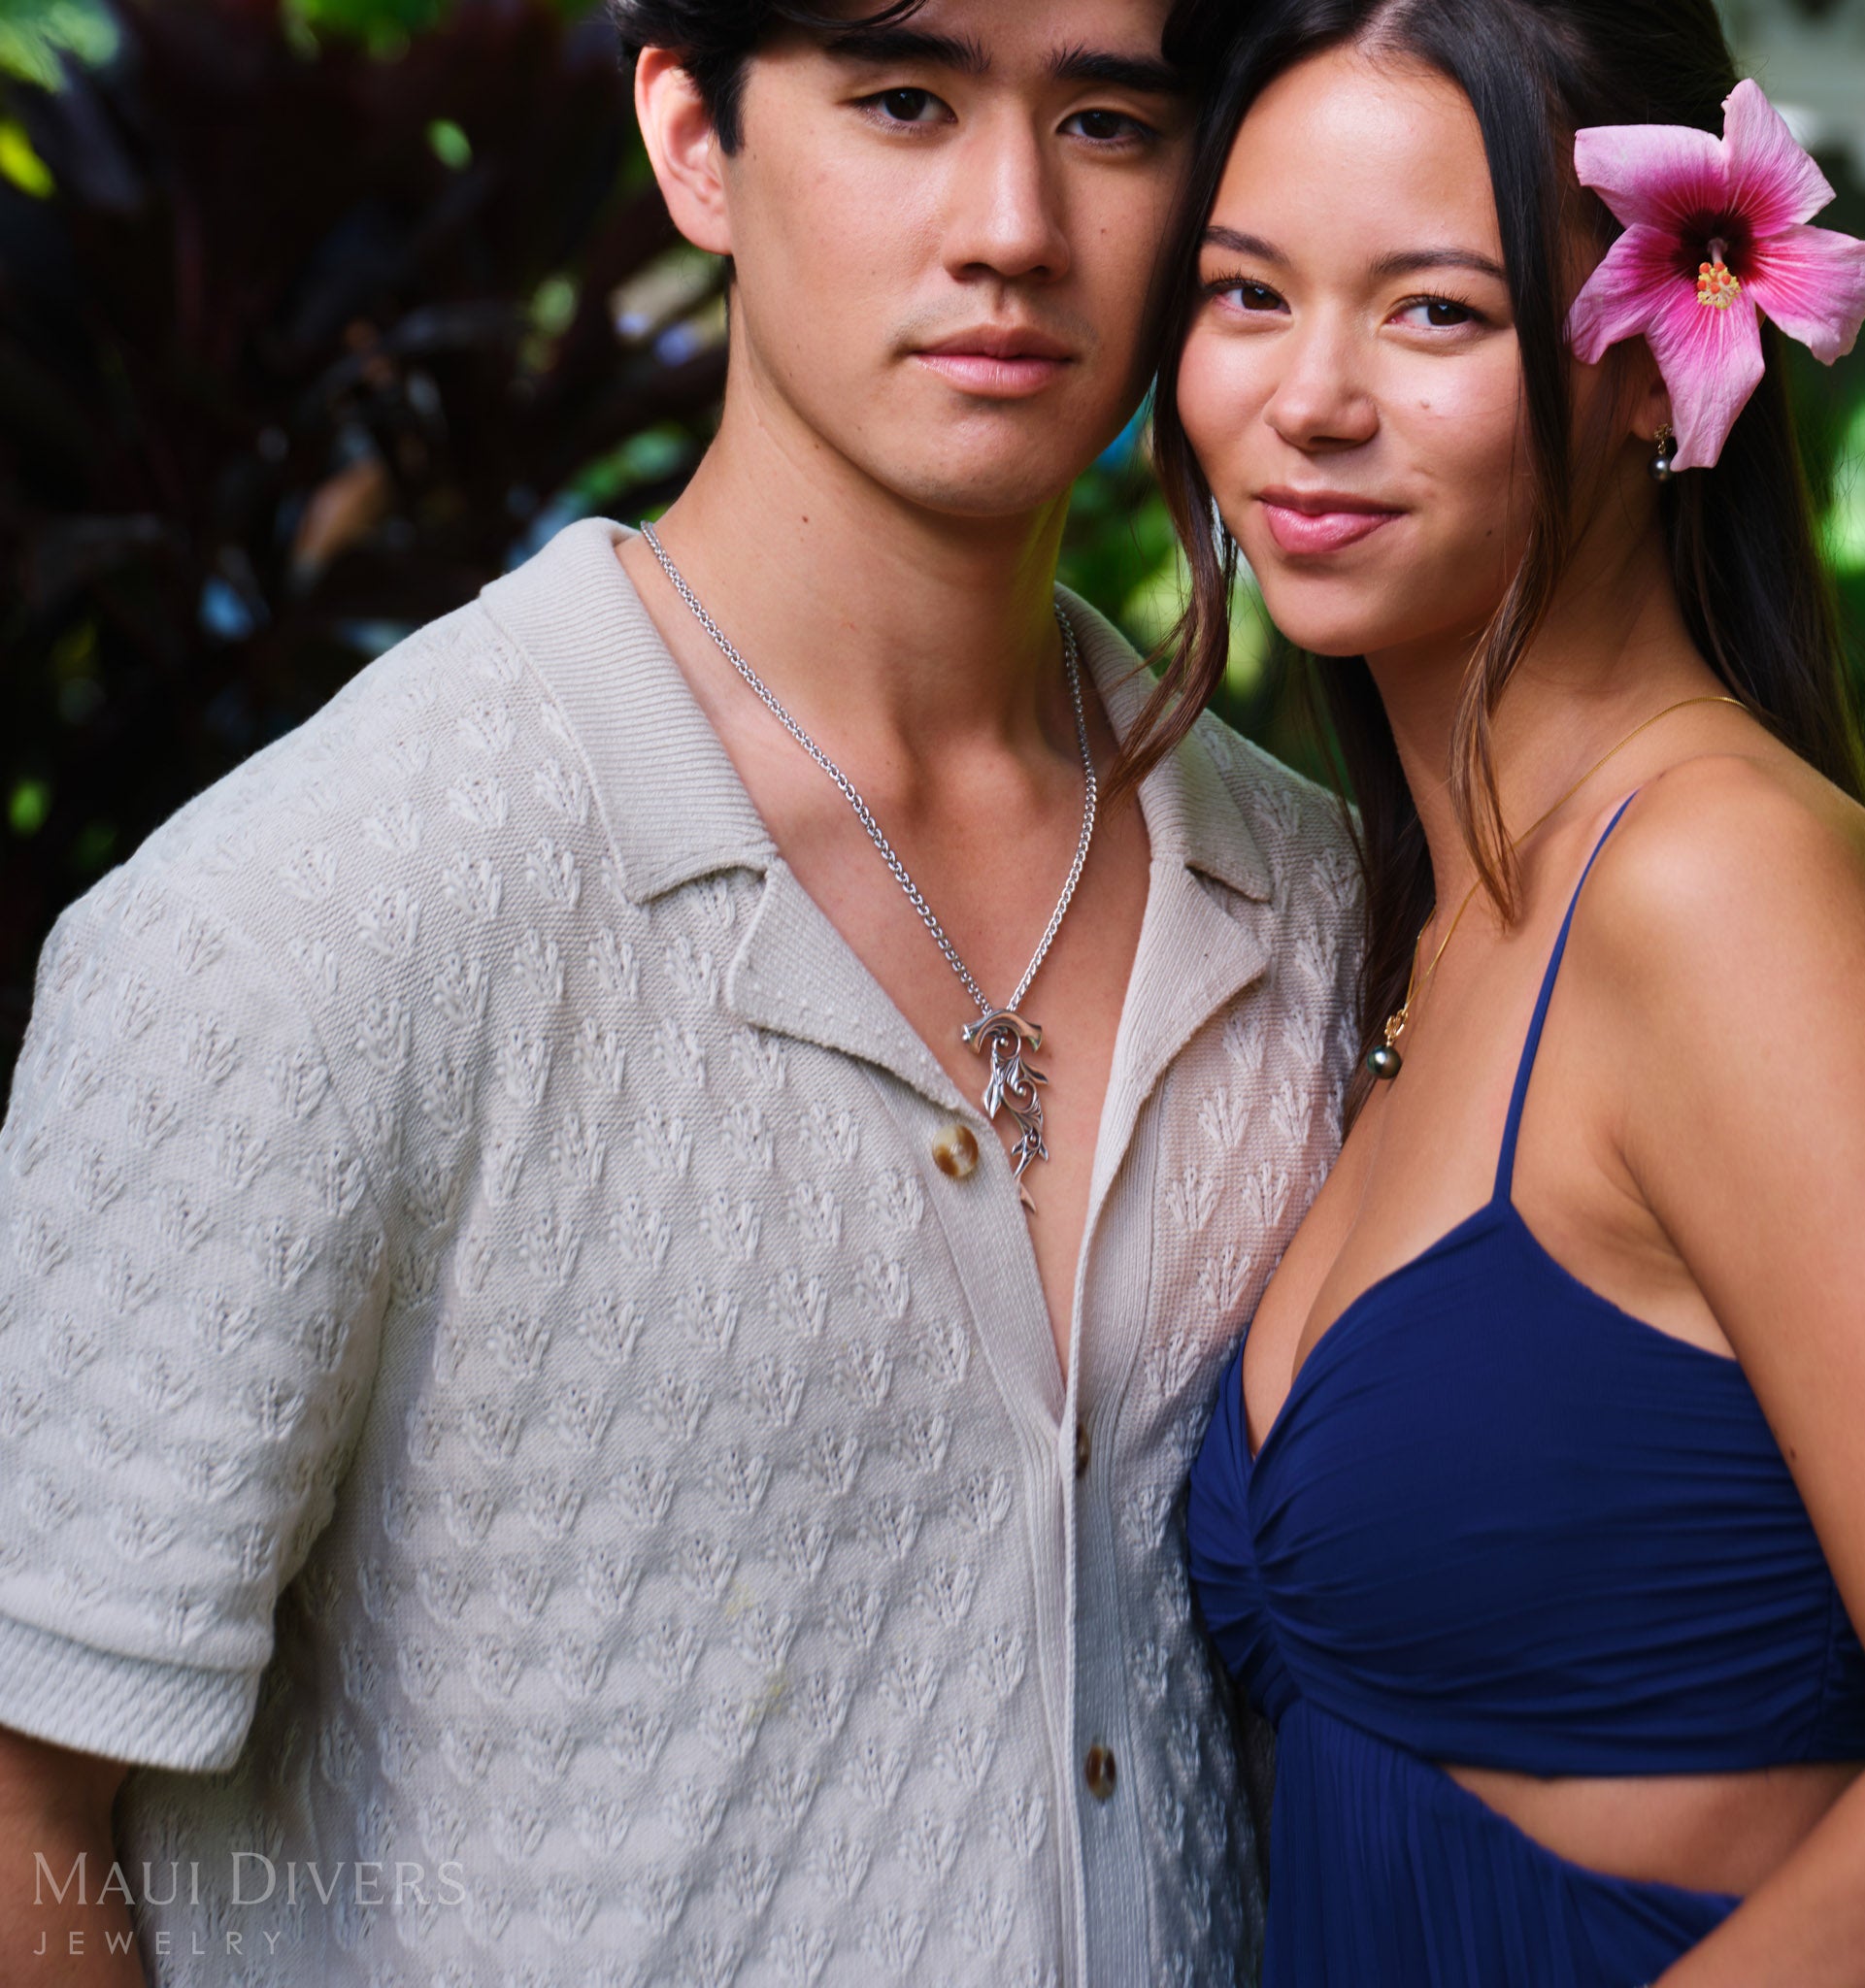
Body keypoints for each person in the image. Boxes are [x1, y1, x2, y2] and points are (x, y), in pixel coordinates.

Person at [0, 2, 1365, 1982]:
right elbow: (29, 1801)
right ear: (692, 141)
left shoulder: (1316, 906)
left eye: (1110, 119)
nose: (1012, 222)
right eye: (903, 99)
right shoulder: (294, 925)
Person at [1149, 1, 1865, 1983]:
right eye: (1245, 294)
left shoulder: (1721, 887)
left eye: (1433, 313)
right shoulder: (1420, 922)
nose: (1309, 398)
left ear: (1657, 364)